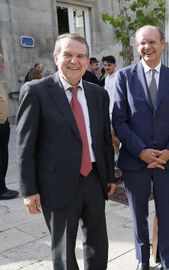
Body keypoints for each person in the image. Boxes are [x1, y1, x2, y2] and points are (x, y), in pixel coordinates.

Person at [16, 33, 116, 270]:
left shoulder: (98, 93)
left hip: (93, 178)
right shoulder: (36, 91)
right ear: (56, 57)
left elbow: (103, 140)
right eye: (68, 54)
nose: (74, 61)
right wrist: (29, 191)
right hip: (55, 183)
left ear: (87, 59)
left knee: (98, 242)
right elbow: (25, 145)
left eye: (80, 56)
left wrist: (109, 175)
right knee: (63, 248)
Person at [112, 25, 169, 270]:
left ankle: (168, 261)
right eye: (142, 43)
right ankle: (142, 260)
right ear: (138, 47)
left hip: (168, 161)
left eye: (152, 42)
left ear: (162, 43)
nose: (147, 47)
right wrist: (141, 151)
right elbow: (119, 120)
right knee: (138, 216)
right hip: (136, 161)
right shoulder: (124, 77)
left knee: (166, 215)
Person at [0, 54, 19, 200]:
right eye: (0, 62)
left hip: (3, 122)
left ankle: (2, 186)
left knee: (3, 156)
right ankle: (1, 189)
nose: (3, 65)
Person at [101, 55, 120, 160]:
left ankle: (123, 151)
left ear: (115, 65)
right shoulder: (107, 78)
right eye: (105, 65)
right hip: (109, 112)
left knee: (112, 136)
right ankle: (118, 157)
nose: (107, 67)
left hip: (117, 111)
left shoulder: (118, 76)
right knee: (111, 136)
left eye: (109, 65)